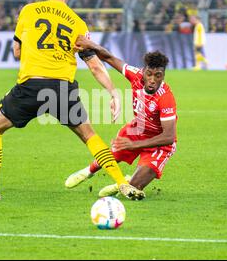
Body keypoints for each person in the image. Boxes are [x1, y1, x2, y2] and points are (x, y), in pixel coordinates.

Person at [0, 0, 144, 201]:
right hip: (62, 88)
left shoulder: (29, 10)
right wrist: (113, 93)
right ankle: (122, 183)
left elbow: (17, 50)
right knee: (89, 135)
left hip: (31, 86)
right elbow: (94, 66)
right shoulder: (78, 23)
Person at [65, 35, 177, 198]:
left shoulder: (165, 97)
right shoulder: (136, 76)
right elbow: (109, 57)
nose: (152, 80)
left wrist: (135, 144)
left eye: (158, 75)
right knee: (113, 154)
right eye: (149, 74)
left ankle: (125, 182)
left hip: (159, 144)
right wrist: (91, 44)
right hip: (137, 130)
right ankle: (87, 171)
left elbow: (168, 136)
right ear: (144, 72)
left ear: (163, 76)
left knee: (133, 189)